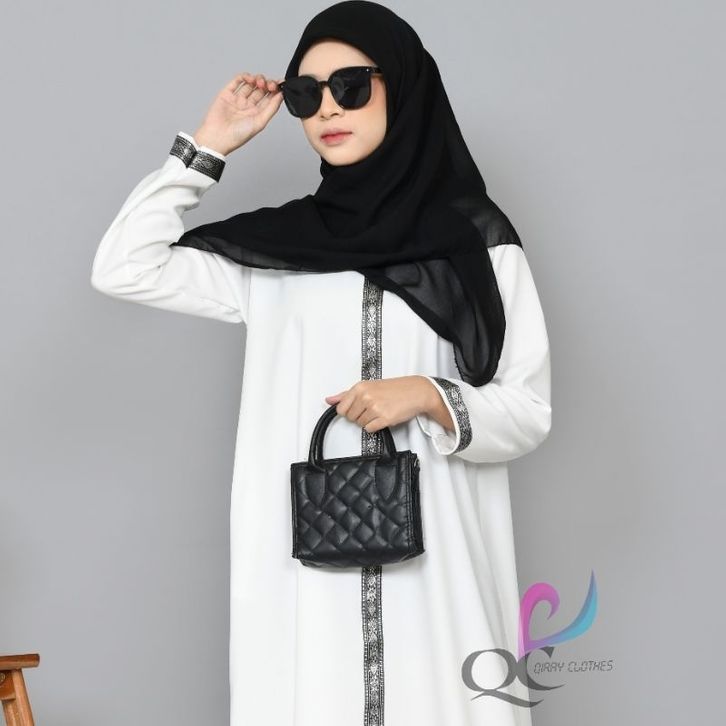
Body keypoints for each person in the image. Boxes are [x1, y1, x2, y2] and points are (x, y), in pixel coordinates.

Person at [90, 2, 551, 724]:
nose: (328, 109)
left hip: (440, 587)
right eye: (306, 94)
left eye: (352, 86)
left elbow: (527, 412)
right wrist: (208, 146)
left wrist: (429, 395)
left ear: (403, 87)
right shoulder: (275, 252)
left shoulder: (479, 245)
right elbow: (123, 266)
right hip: (305, 588)